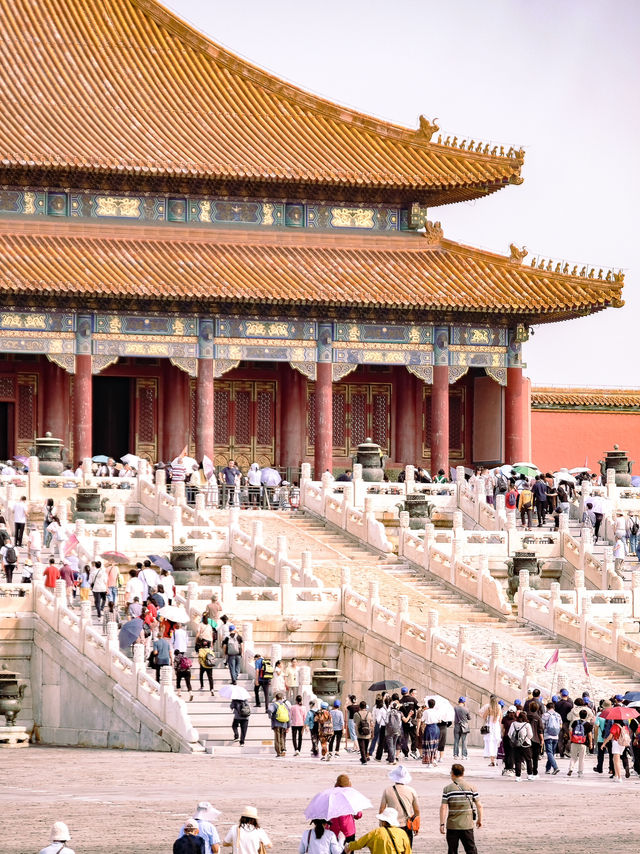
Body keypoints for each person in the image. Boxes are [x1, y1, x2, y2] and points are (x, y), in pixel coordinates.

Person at [440, 763, 482, 854]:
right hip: (467, 825)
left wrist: (442, 824)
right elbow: (479, 805)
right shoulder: (472, 787)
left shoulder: (447, 789)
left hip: (452, 825)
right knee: (471, 849)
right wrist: (479, 819)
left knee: (452, 850)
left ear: (452, 774)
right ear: (463, 774)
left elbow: (443, 807)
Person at [380, 765, 420, 844]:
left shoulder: (387, 790)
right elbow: (417, 811)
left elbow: (382, 809)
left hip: (391, 825)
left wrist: (381, 824)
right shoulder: (412, 791)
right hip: (406, 825)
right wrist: (416, 826)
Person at [509, 710, 534, 781]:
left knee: (517, 760)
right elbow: (530, 735)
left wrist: (514, 740)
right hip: (525, 744)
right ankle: (529, 775)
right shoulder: (527, 725)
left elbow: (510, 734)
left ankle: (518, 776)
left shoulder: (513, 724)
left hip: (516, 744)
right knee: (528, 760)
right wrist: (526, 739)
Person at [567, 708, 592, 777]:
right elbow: (589, 735)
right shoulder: (587, 724)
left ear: (579, 715)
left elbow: (570, 731)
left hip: (574, 741)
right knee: (581, 758)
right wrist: (591, 744)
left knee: (573, 757)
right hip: (583, 743)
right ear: (586, 716)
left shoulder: (575, 722)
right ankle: (580, 772)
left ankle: (570, 768)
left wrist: (571, 738)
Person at [480, 694, 501, 766]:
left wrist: (487, 719)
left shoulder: (489, 708)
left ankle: (492, 761)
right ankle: (497, 760)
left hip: (490, 727)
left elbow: (483, 716)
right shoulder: (499, 707)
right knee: (496, 743)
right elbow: (500, 719)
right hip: (496, 727)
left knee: (491, 744)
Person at [541, 701, 561, 775]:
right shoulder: (558, 715)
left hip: (547, 736)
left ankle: (555, 767)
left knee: (549, 752)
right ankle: (548, 769)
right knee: (552, 753)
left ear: (547, 708)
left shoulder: (545, 715)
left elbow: (542, 726)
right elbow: (560, 725)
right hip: (556, 736)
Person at [267, 691, 290, 757]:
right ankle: (283, 750)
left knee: (277, 738)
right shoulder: (285, 705)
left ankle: (278, 752)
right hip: (284, 723)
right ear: (282, 698)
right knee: (282, 737)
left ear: (276, 698)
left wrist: (271, 717)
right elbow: (289, 715)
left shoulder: (274, 704)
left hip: (276, 723)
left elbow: (269, 710)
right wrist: (288, 725)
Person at [421, 698, 439, 767]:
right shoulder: (437, 711)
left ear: (428, 704)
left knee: (428, 744)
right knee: (435, 744)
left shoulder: (426, 711)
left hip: (429, 728)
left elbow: (423, 719)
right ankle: (434, 759)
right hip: (436, 728)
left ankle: (429, 762)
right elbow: (439, 720)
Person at [354, 699, 373, 765]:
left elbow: (355, 723)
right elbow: (371, 723)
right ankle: (364, 758)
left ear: (360, 707)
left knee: (361, 747)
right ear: (365, 707)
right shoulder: (369, 713)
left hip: (360, 732)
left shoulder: (357, 714)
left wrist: (356, 732)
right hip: (367, 732)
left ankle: (364, 760)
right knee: (366, 747)